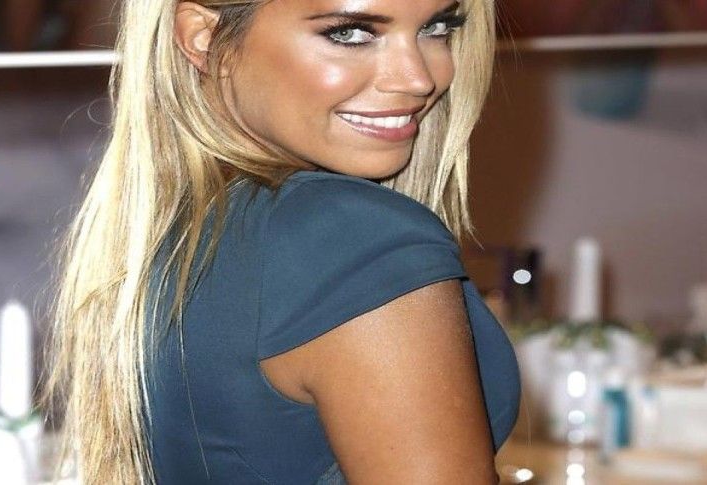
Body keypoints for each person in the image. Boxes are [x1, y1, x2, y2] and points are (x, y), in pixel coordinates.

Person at [39, 1, 521, 484]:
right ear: (204, 37)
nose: (418, 79)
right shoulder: (353, 239)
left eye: (437, 27)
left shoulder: (189, 232)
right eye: (350, 33)